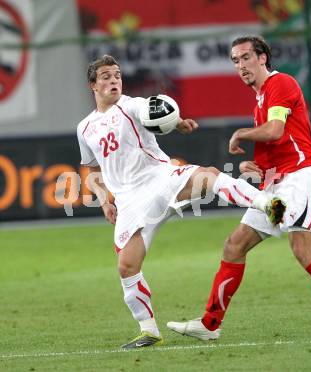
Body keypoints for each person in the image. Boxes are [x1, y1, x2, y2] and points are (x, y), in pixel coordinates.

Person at [167, 35, 311, 340]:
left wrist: (241, 134)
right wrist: (258, 168)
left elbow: (275, 131)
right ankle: (210, 325)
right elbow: (281, 138)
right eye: (235, 60)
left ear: (262, 58)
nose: (241, 65)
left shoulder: (281, 84)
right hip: (279, 180)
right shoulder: (261, 97)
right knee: (234, 245)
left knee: (302, 249)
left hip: (301, 177)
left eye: (246, 57)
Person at [76, 54, 286, 349]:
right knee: (126, 266)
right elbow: (93, 170)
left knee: (208, 178)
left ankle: (268, 204)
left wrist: (177, 124)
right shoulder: (84, 128)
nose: (114, 81)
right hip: (129, 201)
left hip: (159, 178)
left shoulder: (131, 105)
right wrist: (104, 201)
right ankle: (148, 331)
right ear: (92, 86)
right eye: (106, 77)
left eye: (117, 75)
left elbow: (155, 110)